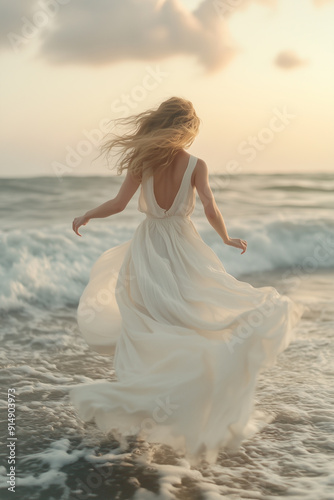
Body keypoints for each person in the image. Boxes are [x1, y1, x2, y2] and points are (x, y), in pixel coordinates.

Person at [70, 96, 305, 465]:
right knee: (189, 319)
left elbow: (117, 205)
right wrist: (226, 238)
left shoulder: (142, 162)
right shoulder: (196, 164)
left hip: (147, 248)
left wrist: (86, 214)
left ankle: (146, 407)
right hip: (184, 246)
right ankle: (184, 400)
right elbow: (210, 205)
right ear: (186, 128)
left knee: (146, 324)